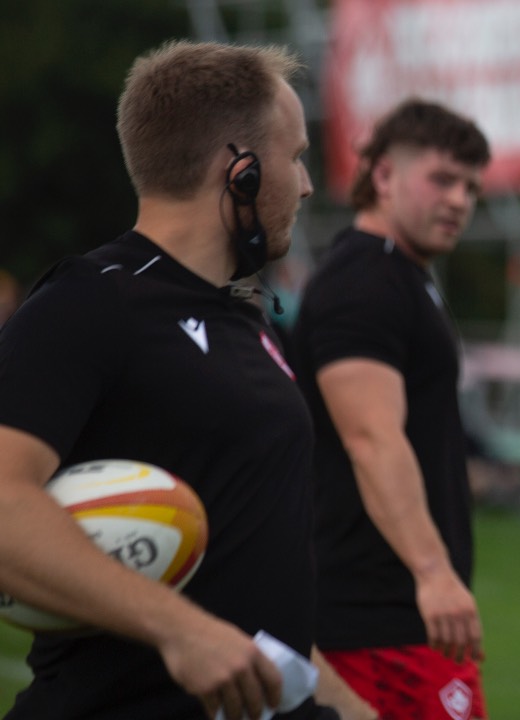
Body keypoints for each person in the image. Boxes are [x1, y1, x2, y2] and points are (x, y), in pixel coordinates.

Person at [0, 40, 355, 719]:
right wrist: (180, 629)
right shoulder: (88, 304)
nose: (308, 185)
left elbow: (260, 583)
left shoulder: (247, 321)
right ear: (241, 172)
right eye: (299, 156)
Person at [291, 99, 491, 720]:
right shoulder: (362, 283)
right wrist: (432, 574)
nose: (459, 200)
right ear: (382, 176)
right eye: (441, 179)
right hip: (374, 616)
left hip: (399, 614)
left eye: (471, 187)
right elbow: (371, 437)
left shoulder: (401, 276)